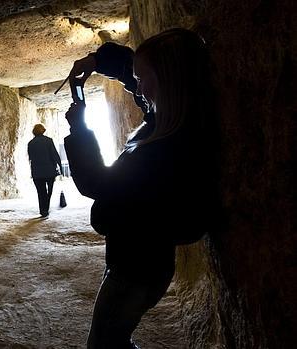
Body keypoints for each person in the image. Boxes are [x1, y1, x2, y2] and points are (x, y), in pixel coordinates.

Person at [64, 28, 218, 348]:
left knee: (106, 342)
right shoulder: (172, 120)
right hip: (143, 263)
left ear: (168, 81)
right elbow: (138, 79)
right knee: (113, 338)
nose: (139, 88)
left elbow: (97, 183)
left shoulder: (161, 152)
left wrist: (79, 127)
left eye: (144, 79)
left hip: (135, 271)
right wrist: (98, 60)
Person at [27, 124, 63, 217]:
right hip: (49, 170)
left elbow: (31, 157)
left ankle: (43, 210)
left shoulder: (30, 143)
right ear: (43, 131)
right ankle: (46, 208)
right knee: (49, 191)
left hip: (37, 171)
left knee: (40, 191)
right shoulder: (48, 141)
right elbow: (54, 154)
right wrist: (60, 167)